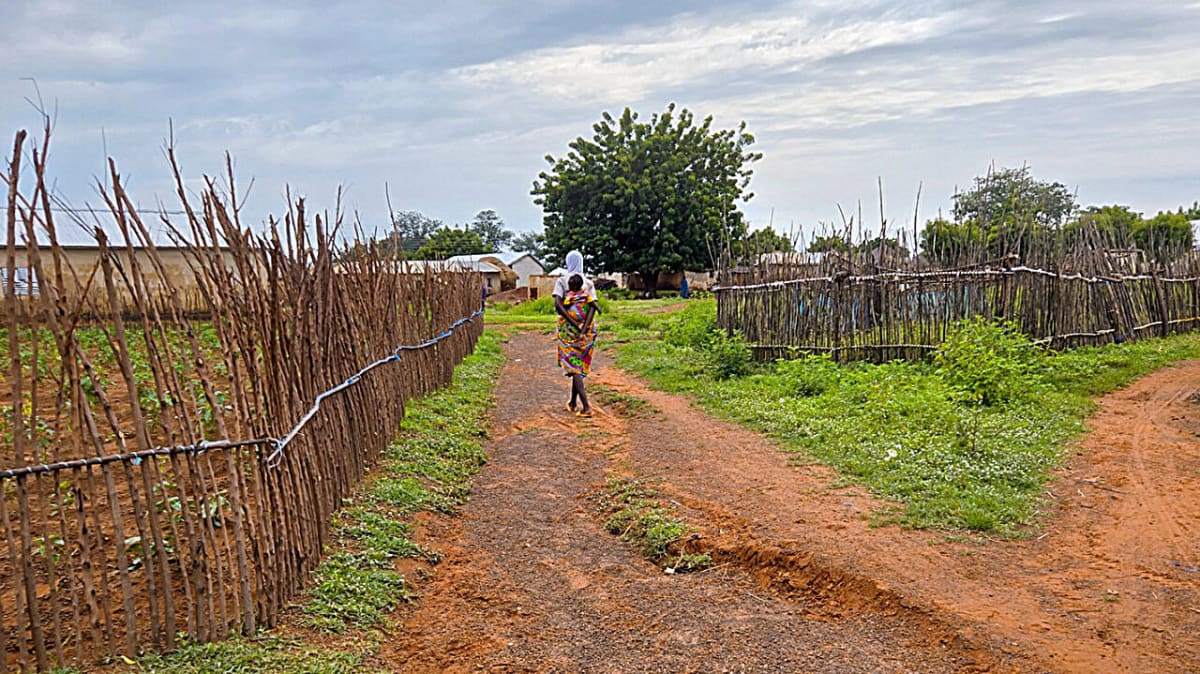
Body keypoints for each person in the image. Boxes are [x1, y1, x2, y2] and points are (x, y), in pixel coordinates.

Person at [553, 250, 598, 417]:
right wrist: (584, 328)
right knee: (577, 365)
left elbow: (558, 305)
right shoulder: (588, 282)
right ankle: (573, 402)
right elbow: (593, 307)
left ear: (567, 262)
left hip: (568, 330)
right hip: (587, 330)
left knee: (574, 367)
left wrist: (574, 324)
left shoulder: (562, 281)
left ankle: (586, 407)